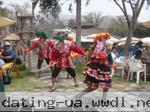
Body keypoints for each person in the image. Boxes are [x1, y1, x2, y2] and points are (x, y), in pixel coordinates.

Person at [76, 32, 111, 102]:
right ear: (99, 40)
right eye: (103, 39)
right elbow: (92, 56)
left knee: (106, 84)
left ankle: (104, 99)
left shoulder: (104, 47)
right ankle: (79, 95)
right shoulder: (94, 48)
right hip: (95, 68)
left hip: (103, 67)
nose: (104, 41)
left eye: (105, 39)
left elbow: (106, 56)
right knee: (93, 86)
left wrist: (106, 51)